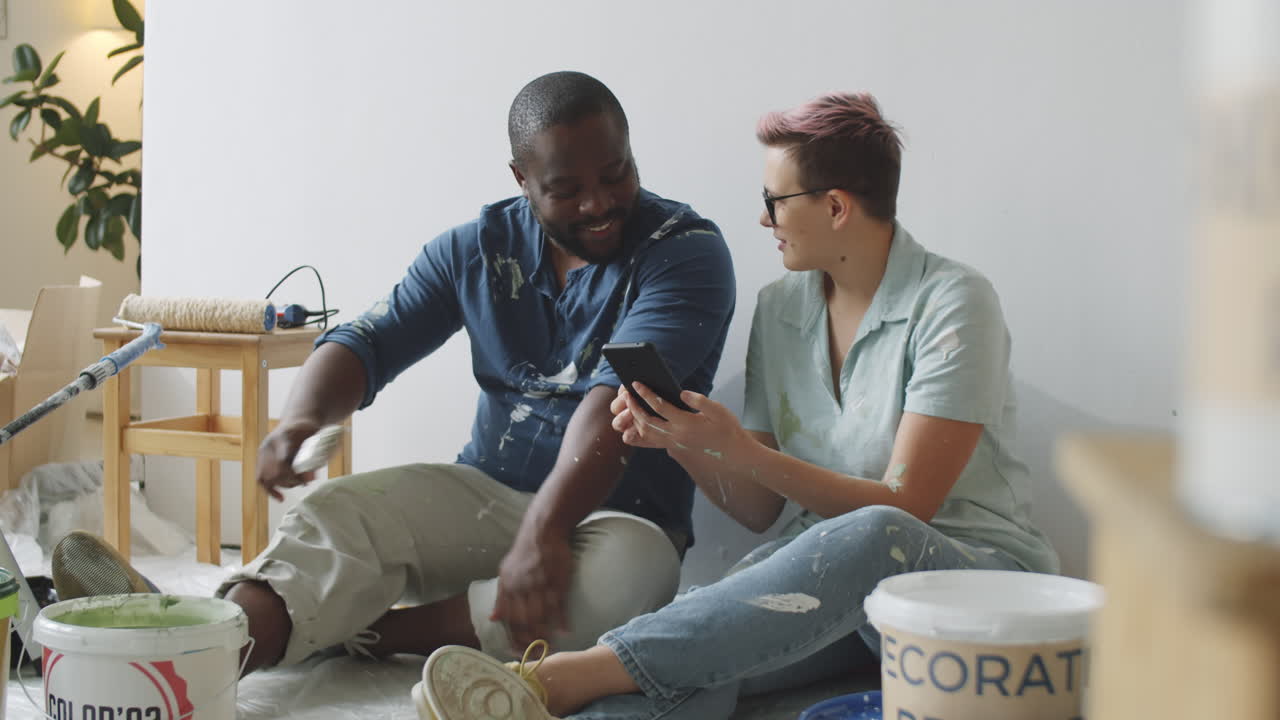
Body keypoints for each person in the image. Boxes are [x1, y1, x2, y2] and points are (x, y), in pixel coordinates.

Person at [54, 70, 737, 676]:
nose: (598, 203)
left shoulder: (685, 251)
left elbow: (618, 399)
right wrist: (301, 421)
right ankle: (195, 645)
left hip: (623, 514)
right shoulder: (474, 249)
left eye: (616, 173)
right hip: (485, 494)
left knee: (628, 583)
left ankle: (356, 630)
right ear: (521, 180)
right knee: (338, 513)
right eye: (567, 188)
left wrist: (546, 533)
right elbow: (369, 339)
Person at [413, 91, 1059, 720]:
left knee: (874, 533)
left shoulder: (953, 302)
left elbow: (905, 506)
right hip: (836, 590)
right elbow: (758, 509)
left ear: (835, 207)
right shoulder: (781, 310)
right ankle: (551, 701)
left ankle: (560, 674)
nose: (763, 219)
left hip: (965, 586)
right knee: (694, 653)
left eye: (773, 201)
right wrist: (685, 441)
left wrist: (744, 451)